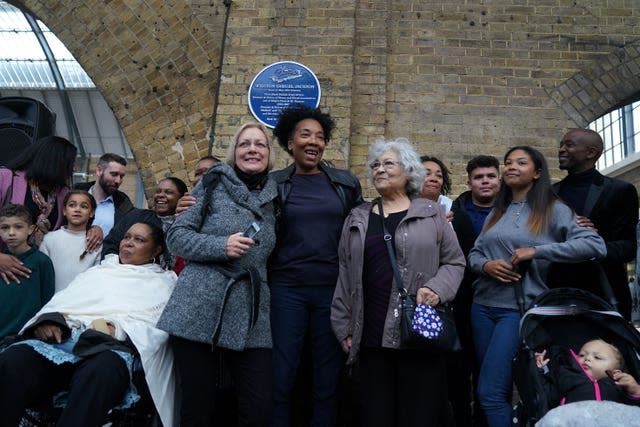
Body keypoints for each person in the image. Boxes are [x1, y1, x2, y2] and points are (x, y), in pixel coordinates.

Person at [468, 146, 608, 427]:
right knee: (498, 388)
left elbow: (595, 245)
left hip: (516, 311)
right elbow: (474, 253)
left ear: (538, 172)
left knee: (489, 392)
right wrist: (485, 266)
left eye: (521, 162)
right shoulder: (499, 209)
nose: (511, 167)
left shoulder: (553, 209)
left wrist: (537, 251)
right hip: (482, 307)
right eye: (508, 162)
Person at [331, 138, 466, 427]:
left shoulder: (431, 214)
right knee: (375, 414)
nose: (379, 169)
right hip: (370, 333)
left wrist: (437, 289)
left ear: (409, 171)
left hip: (417, 332)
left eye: (388, 163)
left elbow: (455, 261)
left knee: (418, 414)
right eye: (375, 165)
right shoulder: (357, 217)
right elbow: (345, 273)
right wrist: (343, 326)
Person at [157, 123, 277, 426]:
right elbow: (177, 237)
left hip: (252, 310)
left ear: (269, 154)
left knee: (258, 406)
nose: (252, 149)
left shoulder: (278, 196)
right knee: (199, 407)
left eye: (260, 144)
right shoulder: (211, 185)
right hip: (199, 305)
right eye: (244, 144)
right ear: (233, 153)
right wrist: (220, 245)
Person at [0, 221, 177, 427]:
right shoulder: (98, 272)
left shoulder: (163, 282)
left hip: (111, 347)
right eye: (127, 237)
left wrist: (118, 329)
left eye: (139, 240)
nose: (128, 243)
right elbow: (63, 303)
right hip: (66, 339)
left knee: (100, 370)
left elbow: (158, 328)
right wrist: (49, 322)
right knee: (15, 359)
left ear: (155, 250)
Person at [269, 104, 363, 427]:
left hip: (332, 291)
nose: (314, 141)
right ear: (289, 143)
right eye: (305, 135)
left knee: (328, 376)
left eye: (320, 136)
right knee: (282, 373)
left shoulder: (345, 184)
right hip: (286, 290)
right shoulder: (274, 183)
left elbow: (365, 224)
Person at [548, 128, 639, 320]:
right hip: (557, 293)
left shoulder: (620, 190)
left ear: (591, 152)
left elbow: (628, 248)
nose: (561, 149)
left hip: (603, 293)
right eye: (561, 145)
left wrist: (591, 242)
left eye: (569, 145)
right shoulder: (551, 194)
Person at [0, 136, 101, 283]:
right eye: (70, 163)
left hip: (33, 275)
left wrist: (95, 229)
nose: (72, 169)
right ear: (54, 162)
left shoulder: (62, 194)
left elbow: (70, 227)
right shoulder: (6, 178)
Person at [448, 154, 501, 427]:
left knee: (489, 369)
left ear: (499, 179)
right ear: (469, 182)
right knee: (459, 365)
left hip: (498, 299)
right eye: (479, 177)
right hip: (460, 299)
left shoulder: (512, 211)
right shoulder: (454, 212)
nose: (485, 182)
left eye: (490, 176)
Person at [101, 177, 187, 269]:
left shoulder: (187, 224)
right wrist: (121, 269)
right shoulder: (135, 216)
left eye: (168, 192)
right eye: (158, 191)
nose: (160, 195)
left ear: (182, 197)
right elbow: (110, 244)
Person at [0, 204, 54, 339]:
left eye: (18, 227)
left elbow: (48, 300)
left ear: (31, 229)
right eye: (5, 227)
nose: (11, 232)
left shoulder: (42, 261)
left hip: (28, 336)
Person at [535, 339, 640, 405]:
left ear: (615, 372)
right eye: (581, 355)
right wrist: (539, 370)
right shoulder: (567, 376)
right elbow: (546, 396)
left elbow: (634, 409)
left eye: (597, 357)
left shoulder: (619, 384)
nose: (587, 358)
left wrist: (635, 391)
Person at [39, 190, 101, 293]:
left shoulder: (95, 242)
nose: (77, 209)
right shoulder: (50, 239)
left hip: (82, 303)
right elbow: (42, 274)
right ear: (64, 210)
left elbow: (96, 279)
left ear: (92, 213)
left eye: (84, 206)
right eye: (72, 205)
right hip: (53, 303)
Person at [74, 153, 134, 236]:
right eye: (114, 174)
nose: (118, 181)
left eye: (122, 176)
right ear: (99, 171)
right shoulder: (74, 192)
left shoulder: (123, 203)